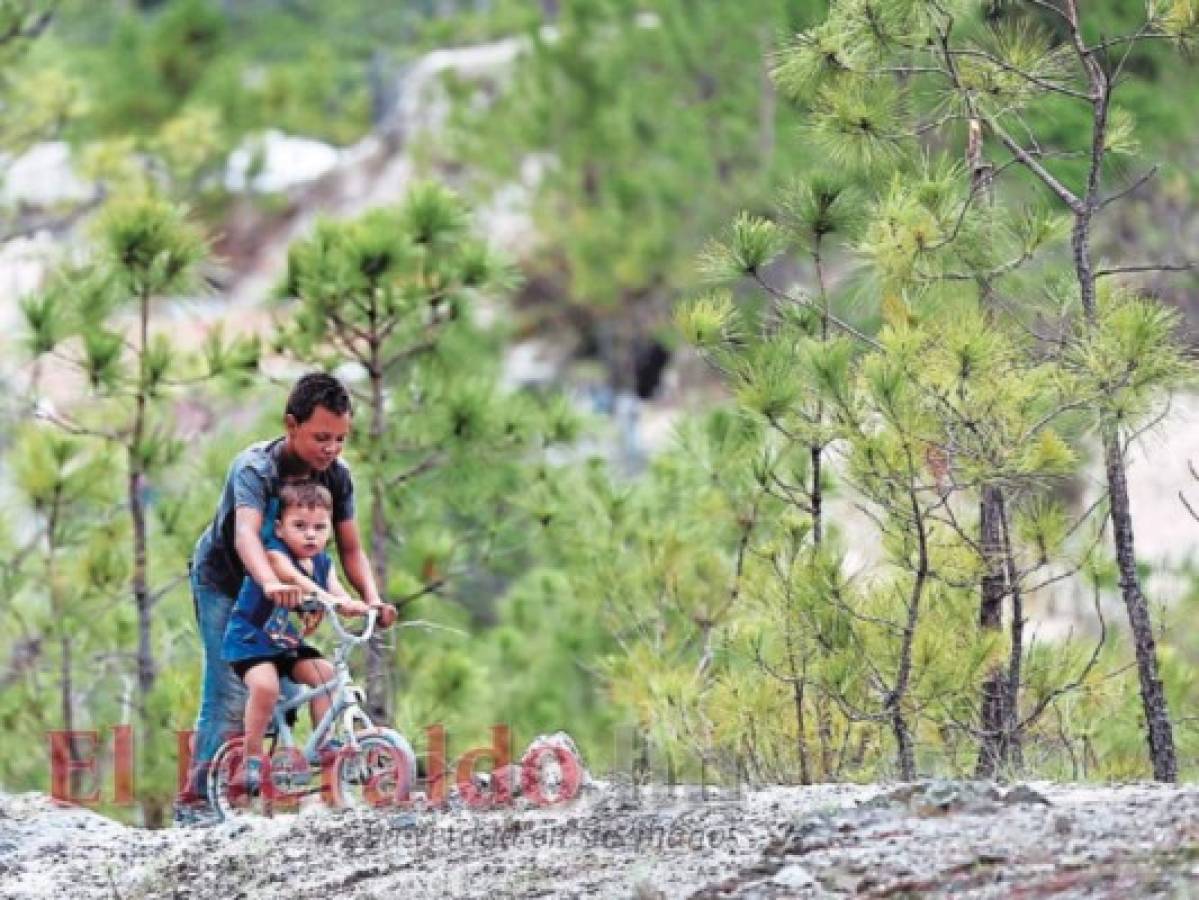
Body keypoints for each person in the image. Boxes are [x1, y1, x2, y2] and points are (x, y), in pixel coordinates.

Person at [175, 372, 397, 826]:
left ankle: (275, 779)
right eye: (320, 437)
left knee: (302, 685)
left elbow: (350, 548)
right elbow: (246, 536)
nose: (330, 449)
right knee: (230, 692)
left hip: (292, 585)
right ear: (291, 425)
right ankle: (196, 805)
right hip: (228, 583)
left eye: (339, 439)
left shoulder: (336, 476)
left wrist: (372, 599)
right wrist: (273, 586)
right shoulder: (256, 468)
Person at [222, 481, 369, 795]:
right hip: (250, 638)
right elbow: (292, 578)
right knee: (266, 686)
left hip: (281, 639)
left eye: (319, 527)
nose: (310, 534)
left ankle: (323, 744)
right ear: (279, 528)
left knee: (326, 675)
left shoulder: (322, 563)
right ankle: (251, 756)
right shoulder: (275, 555)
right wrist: (325, 597)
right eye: (299, 526)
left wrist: (358, 605)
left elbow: (337, 591)